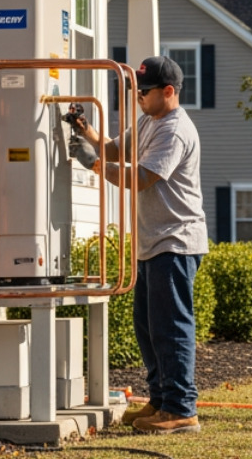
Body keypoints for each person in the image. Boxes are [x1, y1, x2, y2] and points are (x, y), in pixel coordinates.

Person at [67, 55, 207, 434]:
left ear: (168, 91)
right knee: (147, 327)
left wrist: (94, 165)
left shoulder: (174, 129)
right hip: (154, 242)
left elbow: (143, 176)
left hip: (176, 242)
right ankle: (161, 400)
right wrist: (87, 131)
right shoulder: (150, 121)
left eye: (143, 92)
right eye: (135, 91)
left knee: (171, 328)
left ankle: (181, 409)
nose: (138, 97)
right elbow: (115, 150)